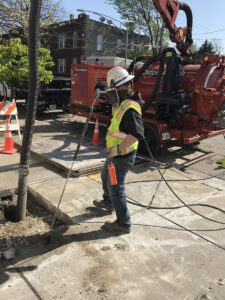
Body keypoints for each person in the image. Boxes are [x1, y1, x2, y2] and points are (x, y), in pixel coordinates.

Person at [93, 67, 145, 234]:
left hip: (122, 155)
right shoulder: (121, 103)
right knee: (104, 176)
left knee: (116, 188)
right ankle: (108, 203)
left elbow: (137, 134)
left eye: (113, 89)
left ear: (122, 87)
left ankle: (123, 223)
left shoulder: (130, 107)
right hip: (114, 153)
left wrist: (117, 149)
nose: (111, 93)